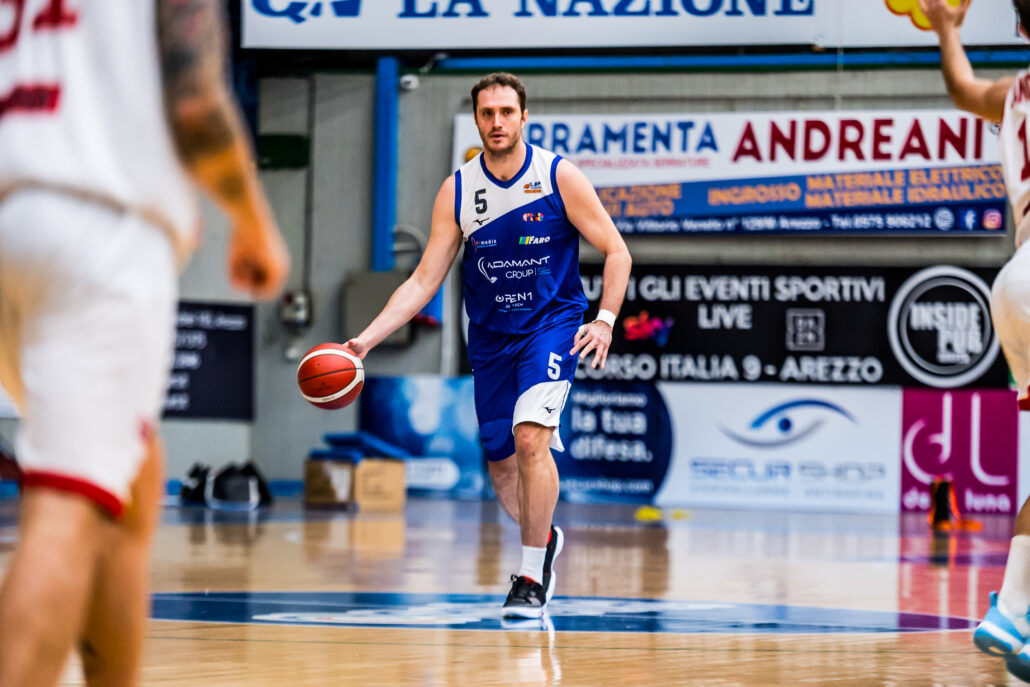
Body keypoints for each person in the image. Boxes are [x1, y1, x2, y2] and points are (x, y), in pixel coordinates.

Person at [0, 0, 289, 684]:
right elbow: (194, 102)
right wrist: (252, 220)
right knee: (66, 503)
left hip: (12, 212)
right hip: (93, 228)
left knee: (134, 475)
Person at [347, 72, 631, 618]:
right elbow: (423, 280)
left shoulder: (557, 176)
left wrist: (605, 319)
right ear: (476, 120)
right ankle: (543, 539)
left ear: (524, 117)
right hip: (491, 339)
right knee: (501, 467)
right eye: (487, 113)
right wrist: (364, 340)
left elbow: (617, 252)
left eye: (506, 112)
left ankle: (530, 576)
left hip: (551, 326)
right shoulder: (457, 190)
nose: (497, 122)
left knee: (530, 439)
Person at [921, 0, 1030, 677]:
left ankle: (1012, 610)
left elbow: (962, 88)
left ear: (1020, 27)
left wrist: (947, 29)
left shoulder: (1015, 91)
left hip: (1015, 279)